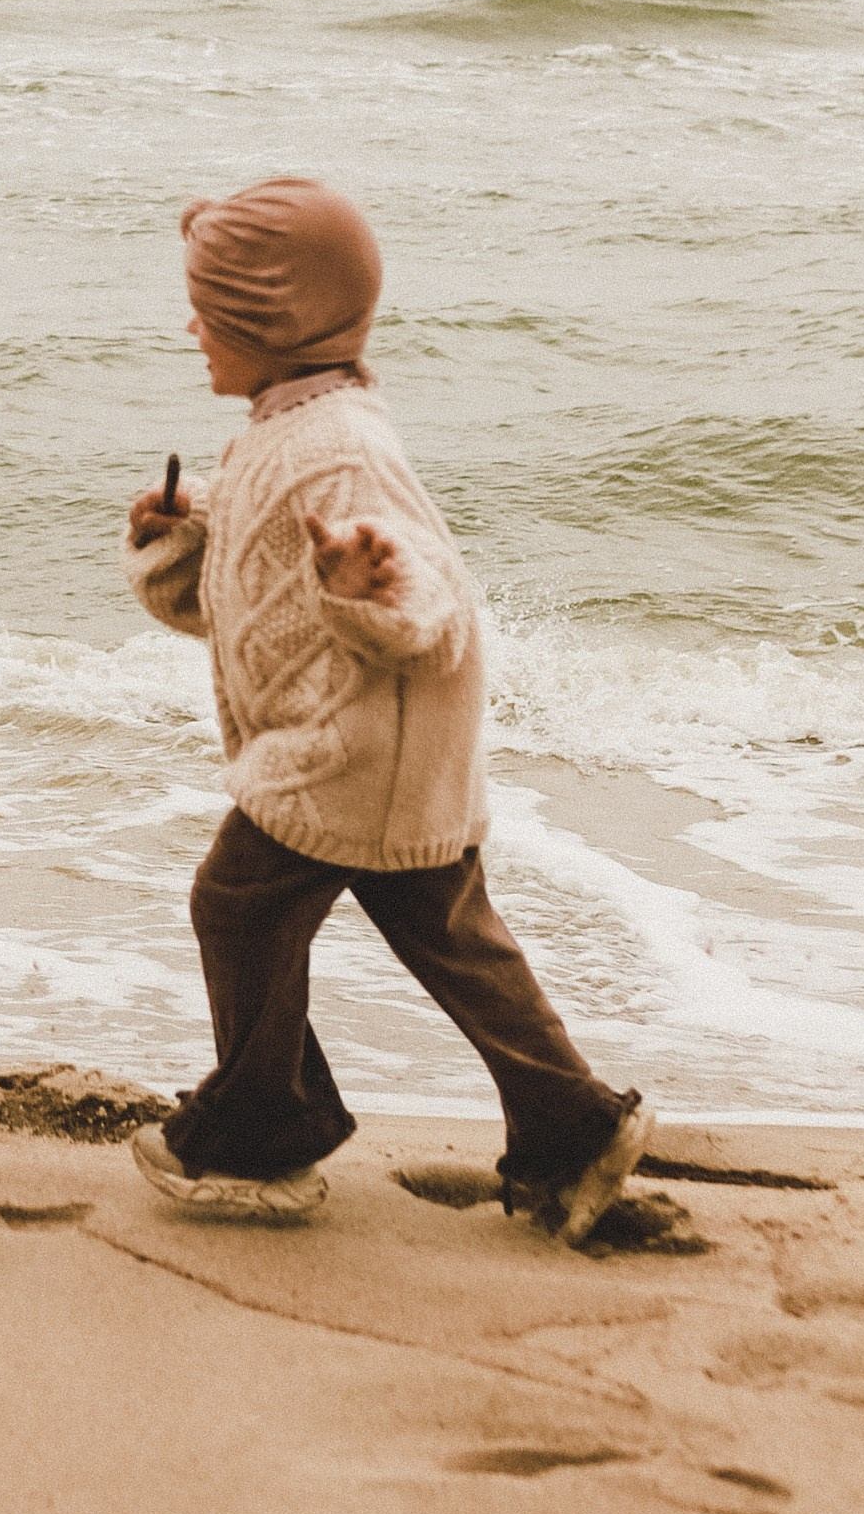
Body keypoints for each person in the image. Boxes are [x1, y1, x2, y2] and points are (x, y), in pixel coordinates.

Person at [122, 174, 649, 1238]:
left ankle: (266, 1129)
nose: (192, 328)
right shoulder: (291, 428)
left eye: (212, 312)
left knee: (238, 902)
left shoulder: (339, 446)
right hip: (380, 737)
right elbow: (255, 603)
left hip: (354, 742)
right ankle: (571, 1123)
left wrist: (374, 585)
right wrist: (184, 540)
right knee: (449, 935)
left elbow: (427, 592)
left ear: (275, 320)